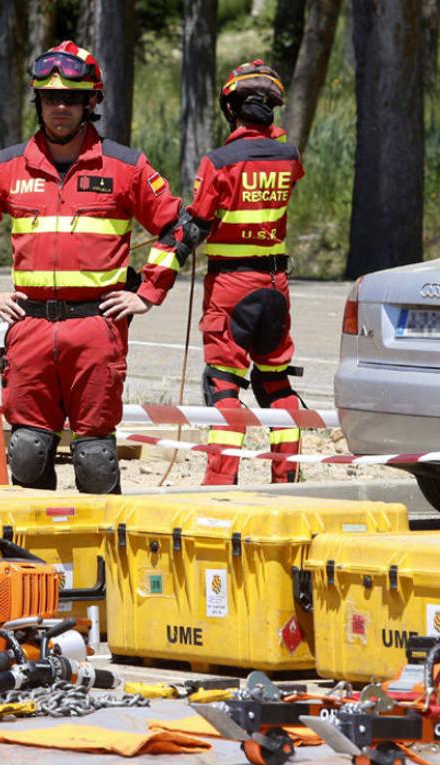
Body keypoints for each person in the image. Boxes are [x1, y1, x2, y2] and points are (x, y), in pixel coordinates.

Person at [0, 41, 195, 493]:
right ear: (37, 102)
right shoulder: (7, 166)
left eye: (71, 98)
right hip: (30, 328)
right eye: (49, 98)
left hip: (96, 329)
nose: (59, 107)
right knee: (26, 451)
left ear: (91, 103)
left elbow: (179, 228)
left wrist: (147, 292)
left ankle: (101, 559)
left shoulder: (125, 167)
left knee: (96, 459)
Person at [183, 60, 305, 486]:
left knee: (223, 385)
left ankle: (220, 483)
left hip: (231, 286)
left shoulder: (219, 160)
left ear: (230, 108)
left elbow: (197, 223)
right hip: (275, 285)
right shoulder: (290, 155)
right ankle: (286, 478)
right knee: (275, 383)